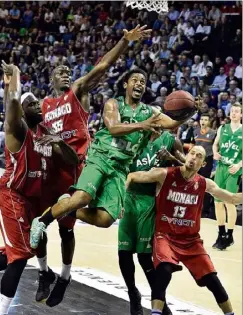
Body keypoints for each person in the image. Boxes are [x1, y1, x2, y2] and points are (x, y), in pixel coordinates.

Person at [37, 25, 154, 307]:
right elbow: (39, 138)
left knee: (66, 229)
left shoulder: (78, 91)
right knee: (38, 225)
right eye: (60, 71)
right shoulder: (45, 104)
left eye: (68, 71)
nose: (66, 74)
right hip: (52, 169)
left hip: (78, 166)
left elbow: (103, 65)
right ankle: (43, 272)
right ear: (50, 77)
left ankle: (64, 276)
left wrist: (124, 41)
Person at [30, 68, 199, 250]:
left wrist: (190, 110)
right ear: (126, 84)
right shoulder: (113, 103)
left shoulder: (150, 113)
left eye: (143, 82)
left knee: (105, 219)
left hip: (121, 166)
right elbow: (113, 128)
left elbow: (173, 123)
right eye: (135, 80)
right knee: (82, 197)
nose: (140, 84)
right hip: (101, 156)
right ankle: (41, 221)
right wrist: (143, 125)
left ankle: (67, 208)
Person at [0, 63, 78, 315]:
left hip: (31, 201)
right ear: (22, 111)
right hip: (11, 195)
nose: (38, 106)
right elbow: (11, 106)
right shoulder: (18, 131)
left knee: (21, 251)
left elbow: (72, 160)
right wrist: (14, 79)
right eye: (32, 104)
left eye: (37, 103)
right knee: (20, 257)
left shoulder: (45, 132)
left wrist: (60, 141)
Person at [126, 146, 241, 315]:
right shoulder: (165, 174)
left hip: (191, 240)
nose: (194, 157)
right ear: (186, 156)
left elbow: (231, 198)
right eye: (192, 153)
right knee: (164, 271)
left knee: (213, 280)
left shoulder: (204, 183)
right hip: (165, 236)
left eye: (199, 156)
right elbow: (133, 176)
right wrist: (123, 198)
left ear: (203, 164)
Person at [118, 129, 185, 315]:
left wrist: (172, 157)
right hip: (129, 196)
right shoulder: (131, 138)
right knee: (123, 253)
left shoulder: (170, 140)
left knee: (144, 257)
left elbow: (188, 168)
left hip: (150, 200)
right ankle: (133, 294)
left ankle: (160, 302)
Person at [212, 103, 242, 250]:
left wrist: (239, 165)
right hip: (221, 168)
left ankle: (229, 235)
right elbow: (215, 144)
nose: (235, 113)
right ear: (229, 114)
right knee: (217, 202)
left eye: (237, 111)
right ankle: (221, 233)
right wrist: (215, 153)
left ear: (241, 114)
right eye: (233, 111)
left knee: (229, 202)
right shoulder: (222, 128)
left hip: (233, 169)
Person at [194, 113, 216, 217]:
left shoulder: (213, 133)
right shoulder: (195, 131)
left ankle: (205, 210)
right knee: (194, 182)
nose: (203, 121)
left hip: (208, 160)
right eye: (202, 119)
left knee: (205, 184)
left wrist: (214, 167)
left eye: (205, 120)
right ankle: (193, 207)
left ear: (209, 122)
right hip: (196, 160)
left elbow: (216, 149)